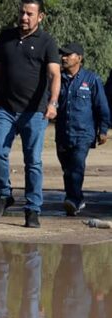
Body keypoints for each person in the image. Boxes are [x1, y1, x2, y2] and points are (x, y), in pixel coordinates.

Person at [0, 0, 60, 228]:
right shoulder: (5, 37)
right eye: (22, 12)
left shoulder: (47, 41)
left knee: (33, 161)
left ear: (41, 16)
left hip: (34, 112)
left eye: (29, 13)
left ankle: (33, 209)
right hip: (5, 108)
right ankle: (4, 195)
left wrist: (53, 103)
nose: (24, 17)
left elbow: (54, 74)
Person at [55, 43, 110, 216]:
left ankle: (72, 199)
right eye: (62, 55)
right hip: (63, 133)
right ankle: (75, 199)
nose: (63, 58)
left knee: (77, 165)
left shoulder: (91, 79)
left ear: (79, 58)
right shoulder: (58, 79)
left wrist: (103, 129)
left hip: (84, 133)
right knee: (67, 169)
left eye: (67, 55)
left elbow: (102, 106)